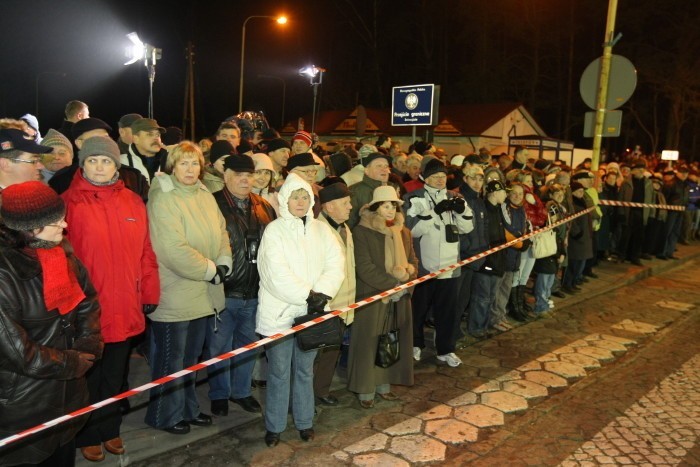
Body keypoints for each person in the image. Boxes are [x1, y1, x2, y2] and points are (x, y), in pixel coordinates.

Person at [60, 136, 160, 461]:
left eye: (106, 161)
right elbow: (60, 259)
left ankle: (110, 429)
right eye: (93, 161)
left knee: (116, 376)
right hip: (86, 311)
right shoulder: (68, 203)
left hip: (125, 305)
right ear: (83, 164)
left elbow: (146, 250)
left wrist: (149, 289)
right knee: (87, 377)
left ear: (117, 166)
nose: (100, 167)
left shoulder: (132, 201)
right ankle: (86, 435)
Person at [0, 181, 103, 466]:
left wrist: (89, 342)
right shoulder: (4, 274)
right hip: (24, 404)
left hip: (68, 396)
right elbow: (17, 352)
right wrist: (71, 363)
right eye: (55, 220)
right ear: (28, 228)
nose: (65, 224)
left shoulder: (59, 249)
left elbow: (87, 300)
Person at [145, 141, 232, 435]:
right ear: (172, 166)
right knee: (172, 357)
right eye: (183, 163)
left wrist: (223, 262)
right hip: (176, 291)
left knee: (191, 356)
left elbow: (221, 231)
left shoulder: (204, 194)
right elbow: (171, 249)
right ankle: (164, 415)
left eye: (194, 163)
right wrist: (210, 270)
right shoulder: (163, 198)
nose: (190, 169)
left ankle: (188, 408)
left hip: (204, 290)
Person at [255, 173, 344, 447]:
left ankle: (305, 422)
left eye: (305, 196)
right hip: (280, 314)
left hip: (312, 314)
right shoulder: (274, 230)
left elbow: (335, 263)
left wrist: (323, 294)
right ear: (284, 199)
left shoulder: (322, 230)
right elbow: (274, 273)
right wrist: (308, 295)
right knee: (279, 372)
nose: (301, 201)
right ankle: (275, 425)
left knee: (305, 371)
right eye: (295, 196)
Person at [205, 154, 276, 417]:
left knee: (248, 347)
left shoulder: (264, 206)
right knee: (219, 348)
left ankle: (242, 392)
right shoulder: (212, 204)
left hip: (255, 291)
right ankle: (219, 394)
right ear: (226, 176)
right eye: (238, 175)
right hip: (224, 291)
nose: (245, 180)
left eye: (249, 175)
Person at [349, 185, 417, 408]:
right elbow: (364, 267)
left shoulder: (403, 232)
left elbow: (413, 260)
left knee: (392, 340)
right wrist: (392, 285)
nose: (390, 210)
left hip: (400, 296)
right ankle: (365, 388)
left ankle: (385, 384)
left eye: (394, 206)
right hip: (373, 295)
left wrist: (406, 284)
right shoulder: (362, 232)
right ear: (376, 208)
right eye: (386, 206)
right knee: (368, 342)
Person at [404, 158, 473, 367]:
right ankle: (415, 345)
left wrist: (462, 212)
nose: (440, 180)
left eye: (443, 176)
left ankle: (446, 349)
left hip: (450, 266)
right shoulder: (413, 198)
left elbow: (467, 228)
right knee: (418, 310)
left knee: (448, 312)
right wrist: (435, 212)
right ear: (424, 177)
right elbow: (413, 230)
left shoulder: (455, 196)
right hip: (425, 266)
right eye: (435, 176)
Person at [314, 178, 356, 406]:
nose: (350, 207)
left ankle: (320, 390)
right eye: (345, 202)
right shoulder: (317, 231)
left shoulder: (345, 228)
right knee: (318, 354)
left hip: (344, 303)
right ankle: (308, 395)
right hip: (328, 305)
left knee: (332, 352)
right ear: (329, 206)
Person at [0, 127, 51, 199]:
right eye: (34, 161)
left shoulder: (41, 193)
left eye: (40, 159)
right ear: (5, 164)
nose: (42, 166)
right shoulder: (3, 205)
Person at [348, 152, 392, 228]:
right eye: (379, 166)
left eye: (386, 166)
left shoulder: (392, 189)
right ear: (367, 171)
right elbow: (349, 224)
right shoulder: (354, 191)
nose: (384, 170)